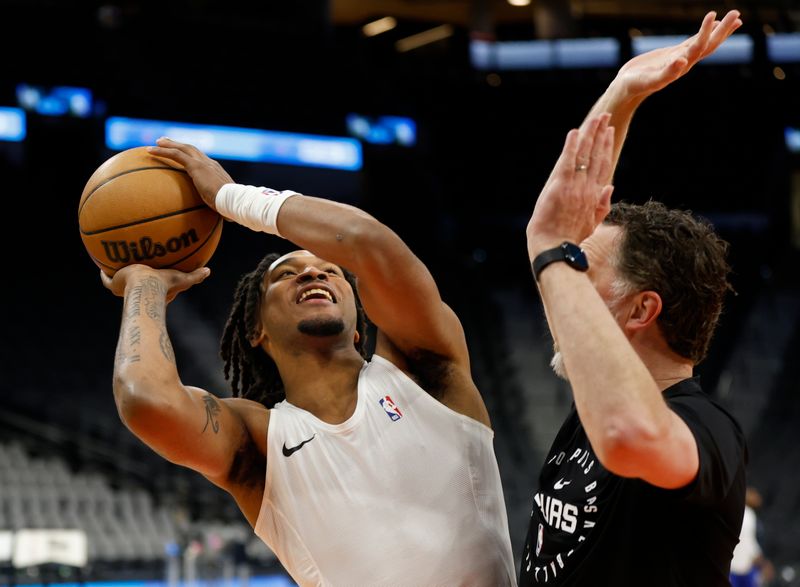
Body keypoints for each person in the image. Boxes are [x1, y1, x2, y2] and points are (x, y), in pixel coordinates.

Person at [102, 141, 518, 583]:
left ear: (359, 322)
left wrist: (231, 197)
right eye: (285, 274)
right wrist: (144, 285)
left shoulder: (425, 371)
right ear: (256, 329)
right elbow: (144, 398)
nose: (312, 272)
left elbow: (366, 241)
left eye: (332, 270)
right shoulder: (257, 441)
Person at [519, 10, 748, 586]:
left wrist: (553, 248)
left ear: (640, 310)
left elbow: (629, 435)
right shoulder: (595, 396)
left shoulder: (707, 429)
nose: (562, 284)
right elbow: (563, 242)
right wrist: (622, 93)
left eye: (581, 271)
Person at [730, 487, 775, 587]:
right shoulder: (745, 513)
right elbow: (748, 543)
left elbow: (749, 542)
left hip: (740, 566)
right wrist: (762, 562)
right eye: (753, 493)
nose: (757, 496)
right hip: (735, 568)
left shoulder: (747, 513)